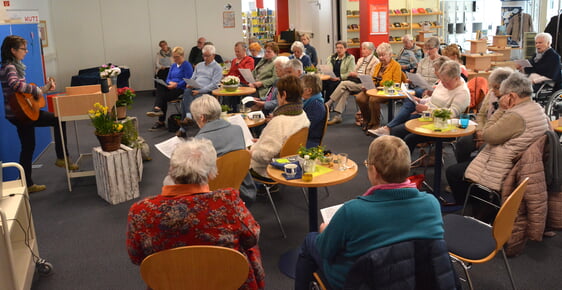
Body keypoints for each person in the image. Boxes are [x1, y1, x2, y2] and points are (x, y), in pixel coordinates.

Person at [294, 136, 444, 290]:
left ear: (374, 171)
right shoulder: (431, 204)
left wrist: (325, 230)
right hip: (416, 279)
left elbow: (325, 250)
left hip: (360, 281)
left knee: (311, 240)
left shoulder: (352, 211)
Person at [126, 138, 265, 289]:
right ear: (212, 173)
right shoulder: (227, 201)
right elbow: (252, 237)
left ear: (171, 171)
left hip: (170, 283)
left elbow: (137, 257)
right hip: (225, 280)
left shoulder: (140, 211)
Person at [448, 71, 550, 204]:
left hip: (503, 168)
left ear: (511, 96)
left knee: (452, 172)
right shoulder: (536, 108)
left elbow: (487, 135)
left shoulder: (516, 115)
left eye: (504, 95)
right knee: (470, 156)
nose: (500, 97)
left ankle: (469, 204)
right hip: (521, 166)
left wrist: (502, 109)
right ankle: (479, 201)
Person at [0, 35, 78, 193]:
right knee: (57, 119)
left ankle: (27, 184)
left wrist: (44, 88)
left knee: (28, 147)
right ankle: (62, 157)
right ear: (13, 50)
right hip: (21, 114)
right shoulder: (10, 67)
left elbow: (23, 91)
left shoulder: (11, 66)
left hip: (18, 113)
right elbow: (16, 85)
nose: (26, 51)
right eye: (23, 49)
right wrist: (36, 90)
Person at [190, 95, 257, 206]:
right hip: (242, 188)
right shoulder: (237, 129)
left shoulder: (198, 142)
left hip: (210, 195)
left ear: (201, 117)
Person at [391, 60, 470, 153]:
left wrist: (428, 109)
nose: (443, 84)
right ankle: (395, 161)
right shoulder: (445, 82)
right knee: (396, 131)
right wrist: (421, 101)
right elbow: (434, 99)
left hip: (443, 126)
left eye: (446, 82)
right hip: (428, 118)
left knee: (408, 137)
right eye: (442, 81)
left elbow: (451, 114)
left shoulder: (462, 93)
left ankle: (401, 164)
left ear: (457, 78)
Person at [370, 56, 450, 137]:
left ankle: (388, 128)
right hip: (427, 105)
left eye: (436, 70)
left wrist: (425, 106)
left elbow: (443, 105)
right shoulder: (440, 82)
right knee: (409, 102)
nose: (434, 72)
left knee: (407, 116)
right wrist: (420, 100)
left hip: (432, 113)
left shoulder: (447, 85)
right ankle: (388, 128)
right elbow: (433, 99)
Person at [250, 75, 310, 179]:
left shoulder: (279, 121)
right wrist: (261, 141)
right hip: (292, 162)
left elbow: (265, 155)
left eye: (278, 93)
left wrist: (250, 151)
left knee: (234, 158)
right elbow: (284, 141)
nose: (277, 97)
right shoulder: (302, 114)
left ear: (284, 95)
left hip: (268, 168)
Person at [453, 67, 513, 164]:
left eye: (497, 87)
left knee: (484, 149)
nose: (493, 90)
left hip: (497, 136)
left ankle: (476, 174)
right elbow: (480, 115)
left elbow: (504, 126)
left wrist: (485, 136)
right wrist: (480, 131)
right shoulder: (491, 94)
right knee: (463, 142)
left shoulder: (511, 100)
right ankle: (462, 168)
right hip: (483, 129)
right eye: (492, 86)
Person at [325, 41, 379, 125]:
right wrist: (354, 74)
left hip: (366, 84)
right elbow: (354, 71)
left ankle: (328, 103)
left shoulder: (375, 62)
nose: (362, 50)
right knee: (345, 91)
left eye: (364, 49)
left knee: (344, 84)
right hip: (356, 82)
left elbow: (370, 77)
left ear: (370, 50)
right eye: (362, 48)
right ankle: (338, 116)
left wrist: (357, 75)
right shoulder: (361, 60)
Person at [356, 43, 404, 131]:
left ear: (390, 54)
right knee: (360, 98)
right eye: (379, 55)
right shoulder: (378, 65)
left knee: (373, 99)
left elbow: (396, 83)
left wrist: (381, 86)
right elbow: (374, 79)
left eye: (383, 55)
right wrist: (367, 85)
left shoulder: (396, 66)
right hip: (375, 89)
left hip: (388, 91)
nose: (381, 58)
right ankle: (367, 119)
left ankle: (375, 124)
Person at [146, 46, 193, 131]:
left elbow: (188, 80)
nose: (174, 59)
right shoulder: (174, 65)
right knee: (160, 86)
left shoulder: (187, 65)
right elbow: (168, 78)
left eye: (176, 57)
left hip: (181, 88)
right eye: (173, 57)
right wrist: (169, 83)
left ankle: (159, 114)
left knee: (162, 97)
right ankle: (158, 109)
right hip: (171, 86)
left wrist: (176, 85)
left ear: (182, 56)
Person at [180, 44, 222, 124]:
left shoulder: (217, 67)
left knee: (186, 100)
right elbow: (193, 77)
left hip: (206, 90)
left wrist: (200, 91)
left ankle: (185, 124)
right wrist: (189, 83)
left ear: (213, 55)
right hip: (195, 87)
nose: (205, 58)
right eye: (204, 56)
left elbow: (214, 84)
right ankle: (188, 116)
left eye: (207, 56)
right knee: (187, 91)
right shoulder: (199, 65)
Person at [302, 74, 325, 148]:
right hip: (305, 137)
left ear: (309, 90)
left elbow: (305, 128)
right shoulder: (309, 101)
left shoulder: (316, 106)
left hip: (309, 141)